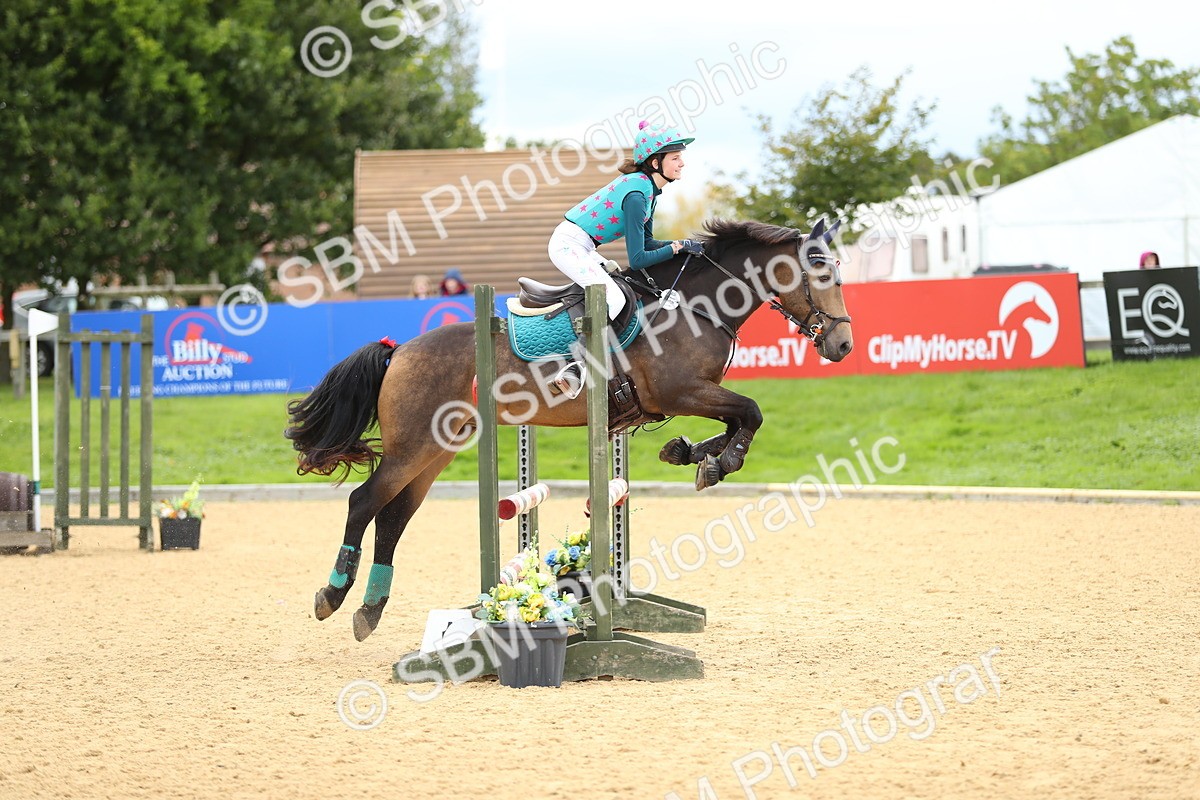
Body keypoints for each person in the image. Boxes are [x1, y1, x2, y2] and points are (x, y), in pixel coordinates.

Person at [547, 120, 701, 398]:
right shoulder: (636, 194)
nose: (682, 163)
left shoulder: (649, 191)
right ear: (656, 162)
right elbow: (640, 258)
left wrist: (684, 244)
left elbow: (650, 243)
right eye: (676, 158)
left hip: (584, 246)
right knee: (615, 299)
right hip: (568, 245)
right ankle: (575, 366)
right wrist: (677, 248)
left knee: (625, 288)